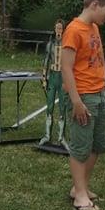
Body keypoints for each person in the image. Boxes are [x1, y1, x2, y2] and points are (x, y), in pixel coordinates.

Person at [61, 0, 105, 210]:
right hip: (83, 96)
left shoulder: (93, 27)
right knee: (81, 147)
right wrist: (76, 101)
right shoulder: (73, 30)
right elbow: (66, 68)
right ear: (94, 5)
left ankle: (79, 187)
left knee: (98, 144)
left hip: (99, 94)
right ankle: (80, 197)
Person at [39, 18, 68, 146]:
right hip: (52, 77)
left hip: (62, 77)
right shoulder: (50, 44)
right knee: (49, 105)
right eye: (57, 28)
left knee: (62, 106)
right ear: (54, 29)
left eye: (60, 28)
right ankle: (47, 135)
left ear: (63, 30)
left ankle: (61, 137)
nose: (58, 31)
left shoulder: (67, 44)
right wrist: (44, 78)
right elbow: (46, 61)